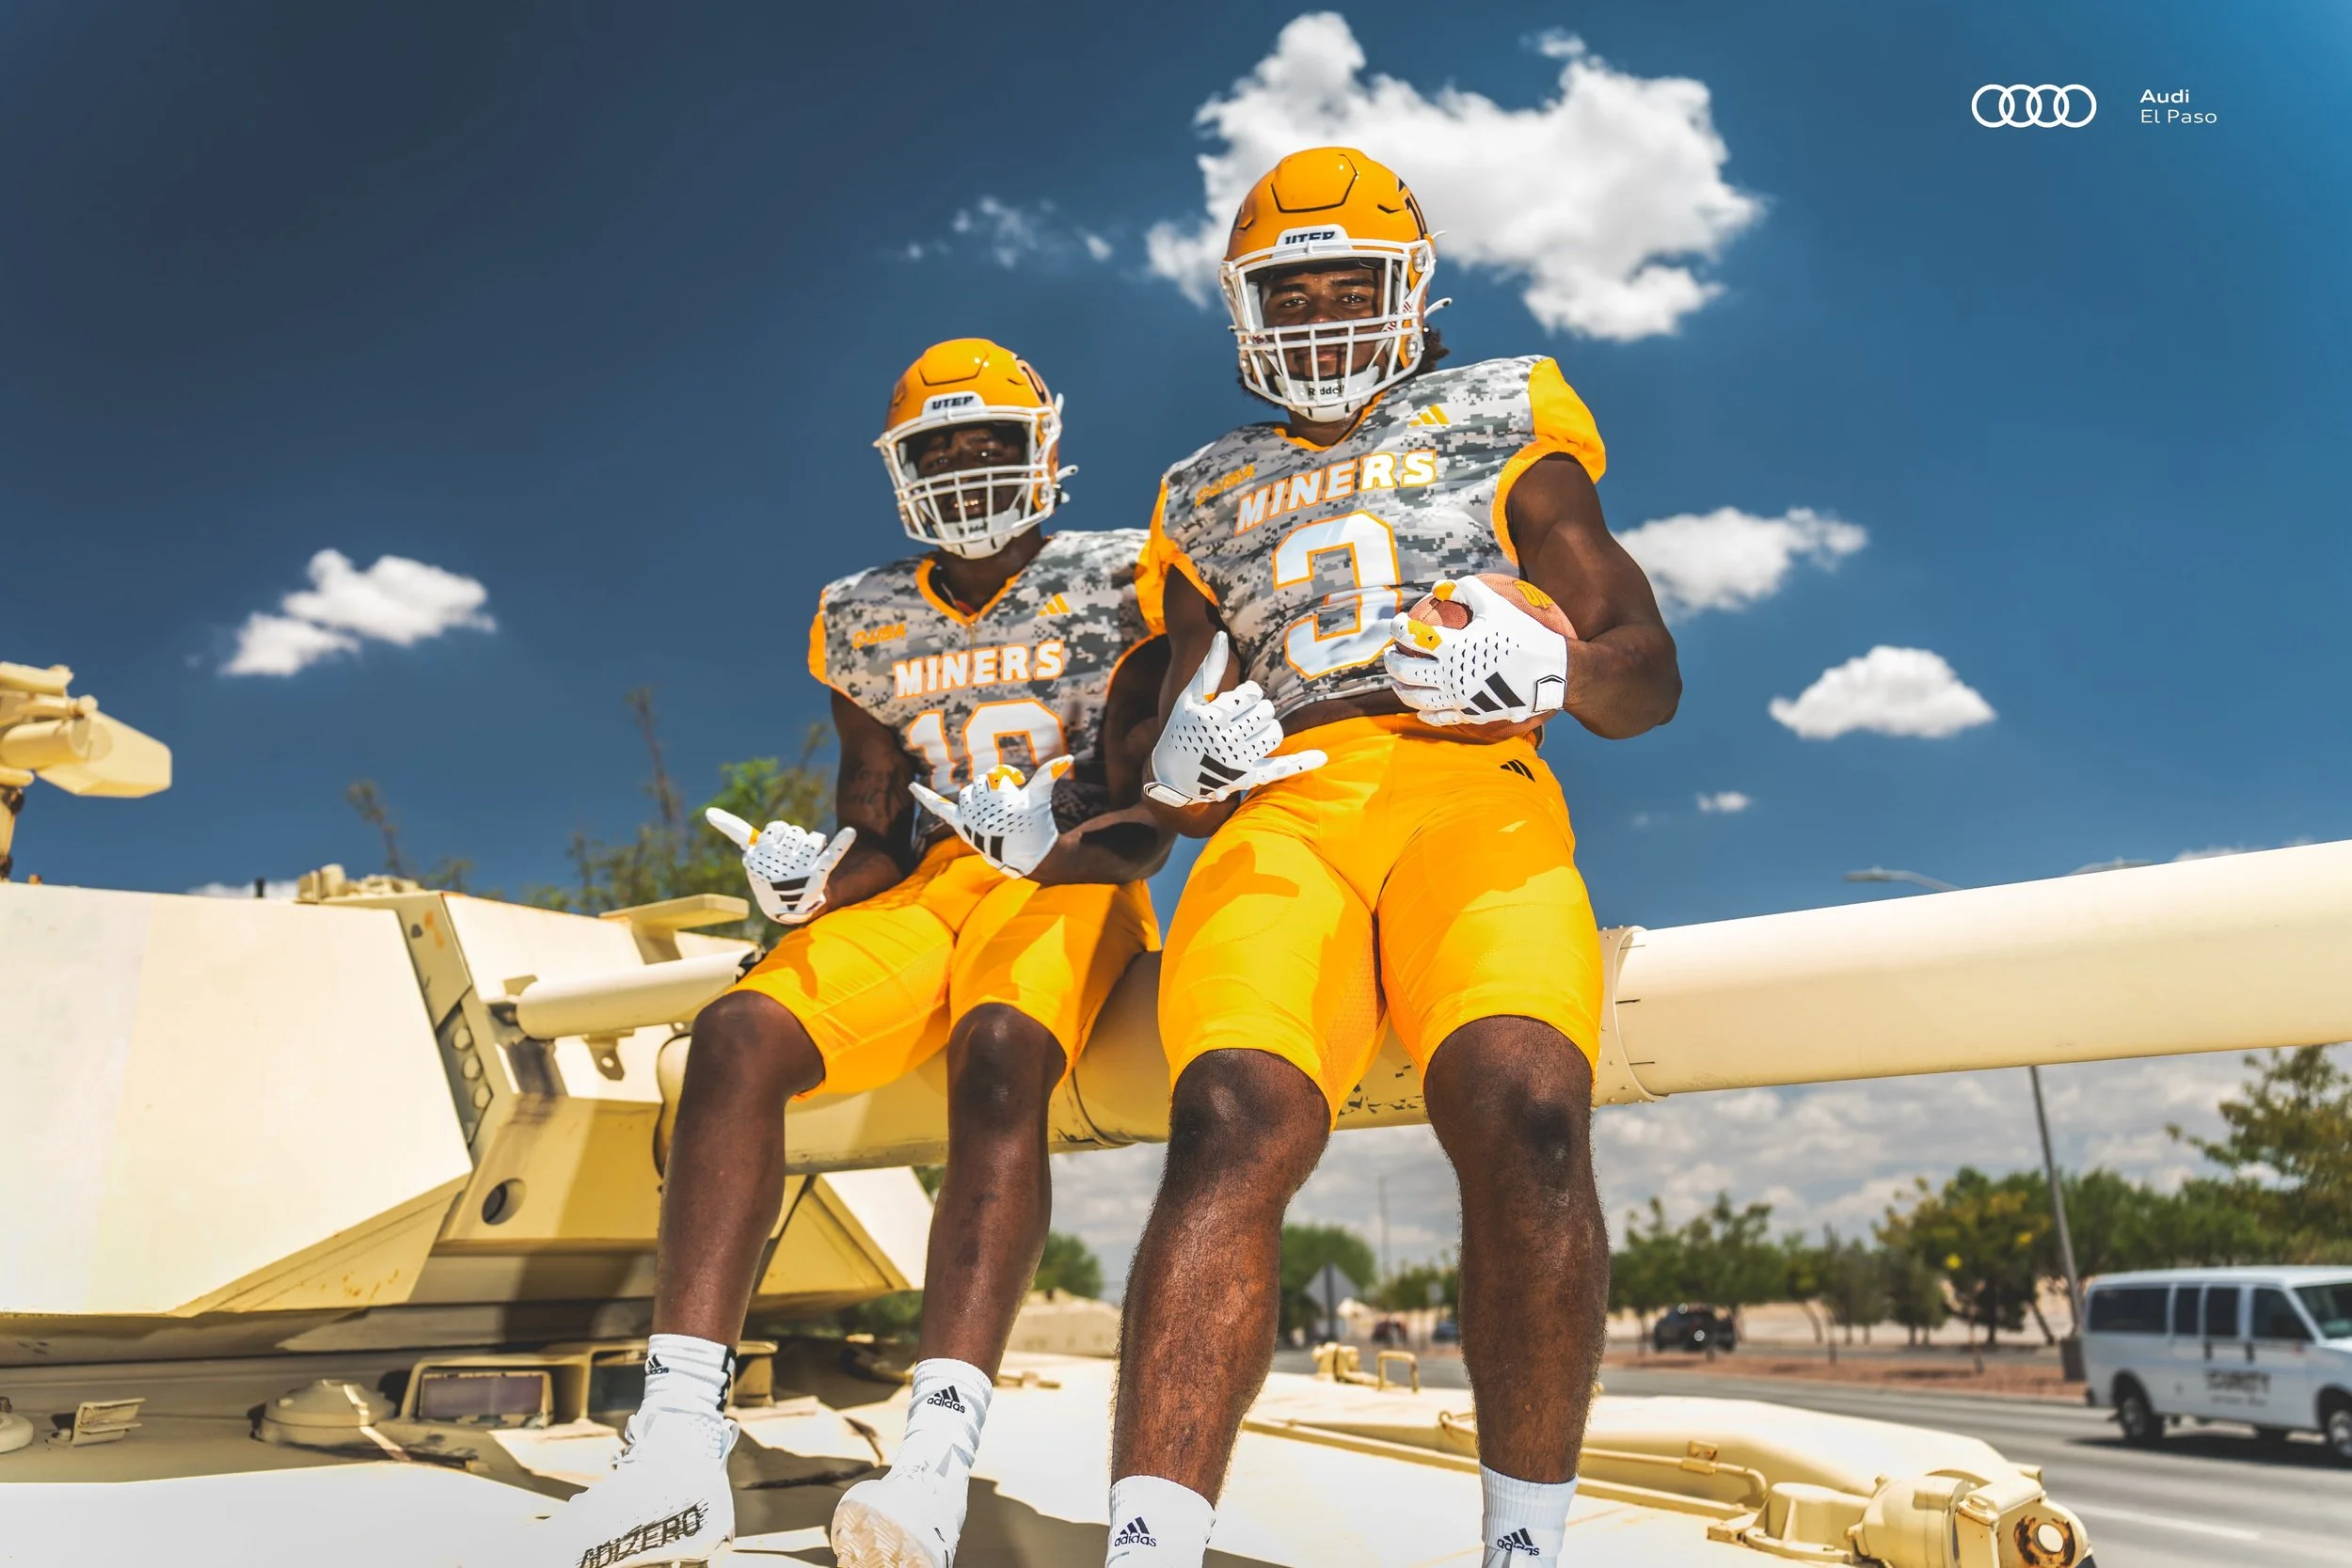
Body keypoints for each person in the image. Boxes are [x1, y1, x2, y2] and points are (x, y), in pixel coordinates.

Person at [510, 339, 1169, 1568]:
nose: (969, 468)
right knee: (736, 1031)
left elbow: (1153, 815)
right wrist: (812, 875)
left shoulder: (1130, 576)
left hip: (1068, 882)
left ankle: (933, 1456)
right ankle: (674, 1445)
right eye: (940, 448)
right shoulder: (864, 612)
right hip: (923, 893)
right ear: (900, 469)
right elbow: (878, 822)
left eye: (991, 442)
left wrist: (1061, 833)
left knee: (997, 1055)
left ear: (1048, 452)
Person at [1112, 148, 1680, 1568]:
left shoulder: (1505, 412)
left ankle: (1524, 1547)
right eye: (1284, 288)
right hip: (1284, 804)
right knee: (1230, 1119)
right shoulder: (1199, 491)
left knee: (1529, 1107)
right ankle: (1149, 1547)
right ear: (1242, 307)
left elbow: (1648, 670)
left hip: (1466, 782)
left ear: (1410, 289)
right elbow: (1161, 744)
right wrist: (1177, 772)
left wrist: (1546, 674)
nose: (1313, 311)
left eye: (1341, 282)